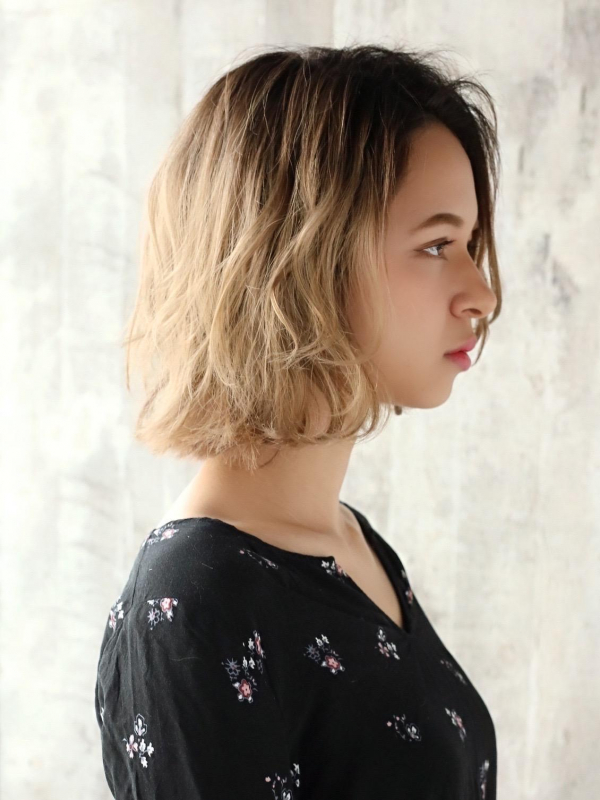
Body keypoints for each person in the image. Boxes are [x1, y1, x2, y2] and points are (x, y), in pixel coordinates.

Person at [95, 43, 501, 799]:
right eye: (437, 245)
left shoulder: (350, 543)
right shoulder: (197, 601)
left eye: (471, 245)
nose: (481, 293)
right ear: (297, 257)